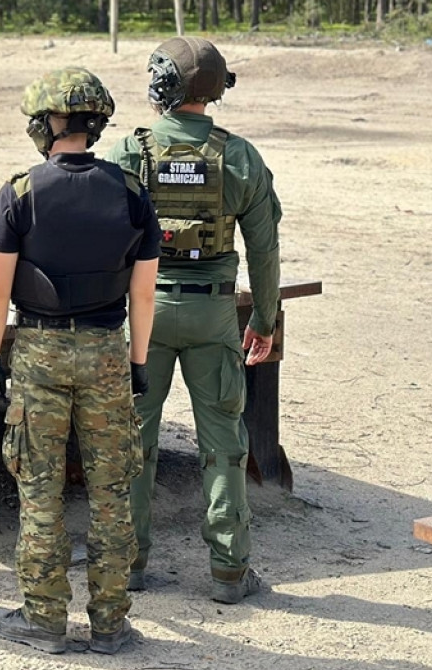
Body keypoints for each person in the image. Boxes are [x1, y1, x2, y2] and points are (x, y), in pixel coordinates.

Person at [0, 67, 161, 655]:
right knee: (112, 493)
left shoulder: (21, 192)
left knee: (40, 490)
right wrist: (137, 362)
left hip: (40, 351)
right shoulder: (130, 191)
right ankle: (110, 623)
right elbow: (143, 294)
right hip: (107, 349)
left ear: (43, 125)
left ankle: (44, 619)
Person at [106, 37, 282, 604]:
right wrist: (266, 319)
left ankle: (129, 564)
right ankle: (230, 571)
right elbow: (264, 249)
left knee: (133, 440)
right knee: (224, 444)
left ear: (160, 83)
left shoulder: (128, 153)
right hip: (213, 314)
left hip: (144, 315)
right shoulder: (240, 157)